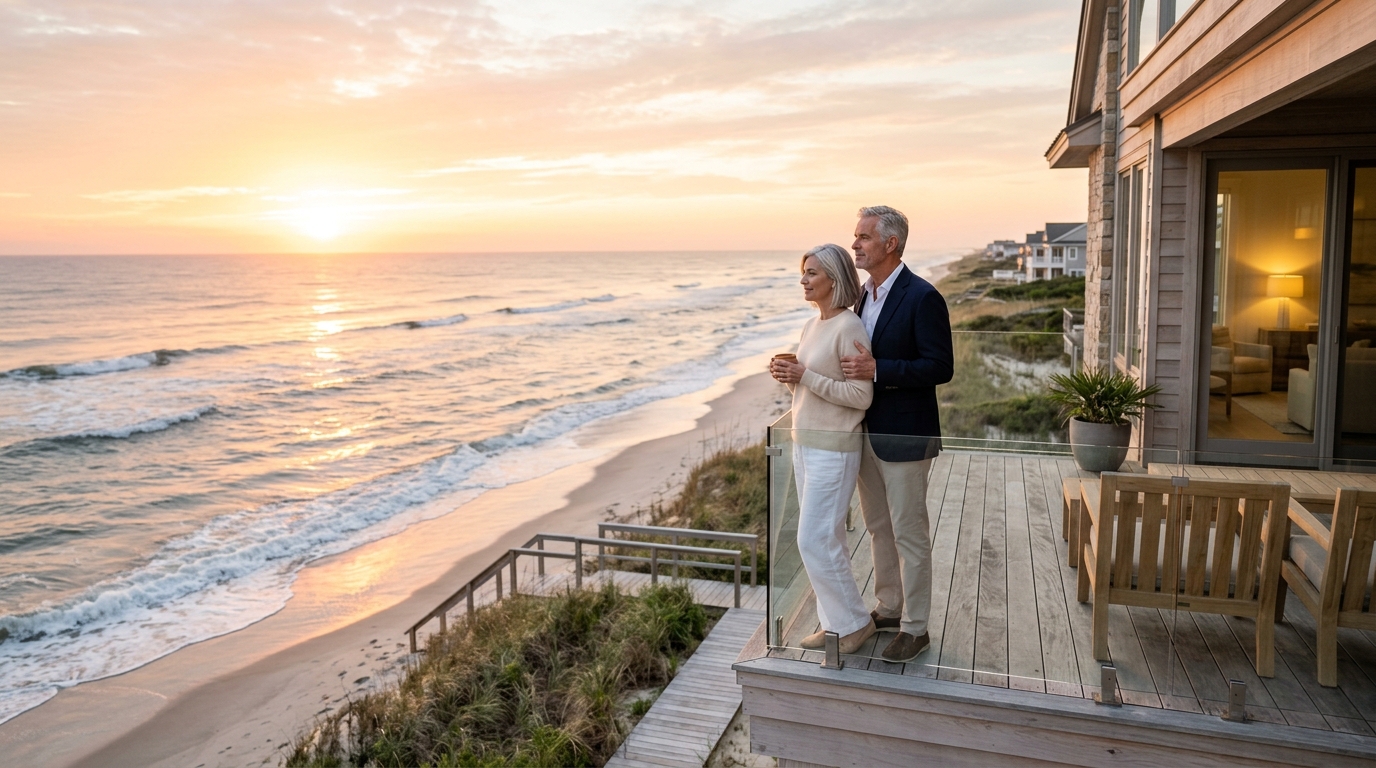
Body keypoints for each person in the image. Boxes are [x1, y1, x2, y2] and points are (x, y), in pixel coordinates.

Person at [840, 205, 953, 662]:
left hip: (905, 435)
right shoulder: (862, 297)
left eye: (864, 237)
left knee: (909, 532)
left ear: (891, 244)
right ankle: (888, 607)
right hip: (865, 433)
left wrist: (878, 369)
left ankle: (917, 627)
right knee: (878, 527)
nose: (855, 245)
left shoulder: (923, 297)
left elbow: (940, 367)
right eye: (855, 236)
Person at [769, 244, 876, 655]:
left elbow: (860, 396)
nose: (803, 280)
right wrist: (790, 376)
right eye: (803, 273)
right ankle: (835, 625)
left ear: (833, 278)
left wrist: (805, 375)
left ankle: (854, 624)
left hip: (834, 448)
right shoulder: (813, 325)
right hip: (804, 443)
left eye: (811, 273)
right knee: (827, 538)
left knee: (813, 539)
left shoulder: (849, 327)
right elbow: (810, 382)